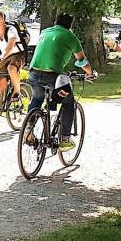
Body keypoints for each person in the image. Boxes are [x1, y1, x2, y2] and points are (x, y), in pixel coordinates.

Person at [26, 13, 95, 151]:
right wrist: (90, 73)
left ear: (56, 21)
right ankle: (64, 139)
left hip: (33, 72)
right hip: (52, 76)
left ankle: (28, 126)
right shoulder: (70, 36)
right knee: (68, 102)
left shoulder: (45, 32)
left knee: (37, 98)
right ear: (70, 25)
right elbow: (82, 60)